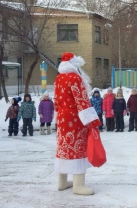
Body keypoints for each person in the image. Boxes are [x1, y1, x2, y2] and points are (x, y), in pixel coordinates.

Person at [54, 52, 101, 195]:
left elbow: (56, 101)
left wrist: (58, 115)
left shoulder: (59, 78)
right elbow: (82, 101)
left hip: (62, 119)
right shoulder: (75, 78)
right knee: (77, 148)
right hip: (76, 119)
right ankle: (78, 185)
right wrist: (92, 120)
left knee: (64, 147)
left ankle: (62, 182)